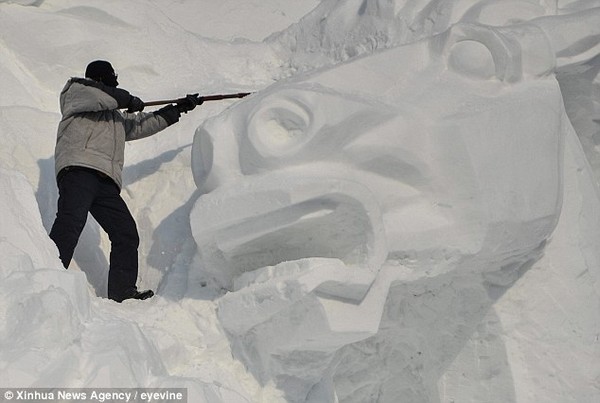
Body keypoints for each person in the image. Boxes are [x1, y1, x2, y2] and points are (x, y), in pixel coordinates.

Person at [49, 60, 200, 302]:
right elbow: (105, 97)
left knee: (126, 233)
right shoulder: (75, 93)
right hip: (79, 170)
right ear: (99, 79)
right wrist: (127, 99)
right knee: (70, 222)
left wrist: (177, 109)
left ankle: (122, 292)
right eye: (112, 80)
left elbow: (142, 124)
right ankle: (48, 278)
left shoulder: (114, 117)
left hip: (105, 181)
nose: (116, 84)